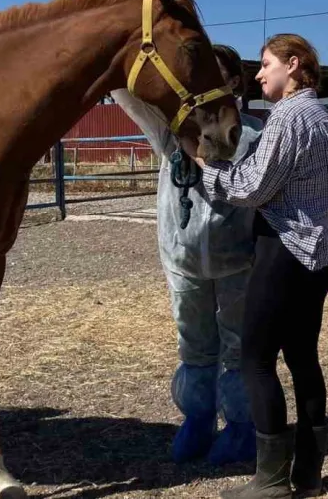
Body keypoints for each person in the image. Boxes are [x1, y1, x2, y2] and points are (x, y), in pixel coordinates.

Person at [198, 34, 328, 499]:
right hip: (320, 257)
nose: (258, 75)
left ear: (293, 65)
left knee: (255, 359)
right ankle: (308, 474)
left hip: (286, 249)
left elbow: (253, 188)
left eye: (265, 64)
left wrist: (209, 167)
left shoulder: (290, 117)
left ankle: (271, 478)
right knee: (302, 357)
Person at [111, 46, 263, 466]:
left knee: (237, 344)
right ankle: (197, 418)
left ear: (234, 82)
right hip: (183, 258)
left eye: (218, 73)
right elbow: (126, 96)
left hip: (237, 258)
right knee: (193, 343)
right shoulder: (171, 132)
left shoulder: (251, 135)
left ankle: (241, 425)